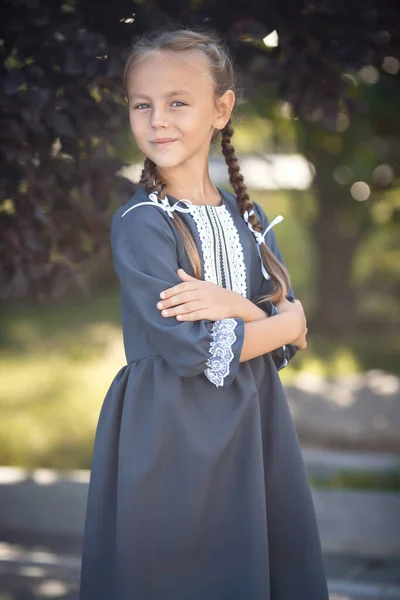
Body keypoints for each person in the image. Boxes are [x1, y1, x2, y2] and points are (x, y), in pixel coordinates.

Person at [79, 27, 329, 600]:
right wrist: (278, 321)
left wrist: (242, 309)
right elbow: (193, 348)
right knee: (182, 572)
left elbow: (289, 339)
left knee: (256, 564)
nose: (158, 119)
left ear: (222, 109)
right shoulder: (143, 222)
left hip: (254, 421)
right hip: (172, 427)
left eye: (177, 102)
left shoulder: (250, 215)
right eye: (142, 104)